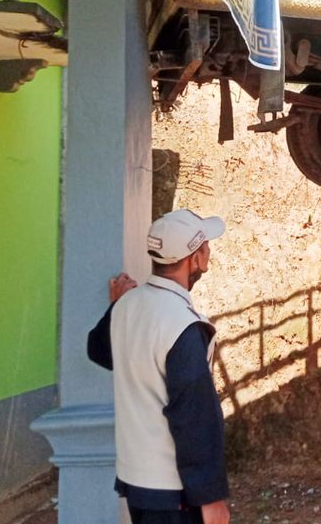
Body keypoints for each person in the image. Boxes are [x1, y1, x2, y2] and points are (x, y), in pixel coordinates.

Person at [87, 209, 231, 524]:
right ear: (194, 258)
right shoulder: (183, 325)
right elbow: (195, 417)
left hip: (136, 484)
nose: (209, 251)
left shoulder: (126, 307)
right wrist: (211, 498)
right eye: (205, 246)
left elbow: (98, 350)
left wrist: (117, 305)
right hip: (175, 493)